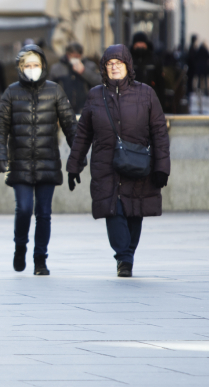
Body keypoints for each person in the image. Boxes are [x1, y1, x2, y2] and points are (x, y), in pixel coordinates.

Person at [65, 44, 170, 278]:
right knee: (114, 210)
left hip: (139, 165)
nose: (114, 67)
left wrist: (162, 167)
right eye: (109, 64)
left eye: (118, 63)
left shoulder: (145, 94)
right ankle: (123, 257)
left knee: (135, 212)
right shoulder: (95, 95)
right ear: (104, 68)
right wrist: (74, 165)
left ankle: (128, 254)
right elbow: (83, 134)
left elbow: (159, 132)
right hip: (106, 165)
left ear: (127, 66)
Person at [0, 45, 77, 276]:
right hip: (20, 161)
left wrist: (77, 157)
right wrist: (0, 155)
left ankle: (40, 258)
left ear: (43, 67)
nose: (32, 69)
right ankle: (20, 246)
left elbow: (71, 125)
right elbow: (0, 127)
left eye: (36, 65)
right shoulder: (11, 92)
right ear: (21, 68)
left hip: (47, 160)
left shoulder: (55, 91)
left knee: (43, 212)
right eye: (28, 65)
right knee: (23, 209)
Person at [50, 42, 102, 114]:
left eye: (77, 56)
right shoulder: (57, 68)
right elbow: (51, 89)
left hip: (85, 108)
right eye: (73, 56)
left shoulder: (89, 65)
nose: (75, 59)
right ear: (67, 54)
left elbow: (99, 82)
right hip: (64, 109)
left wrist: (84, 71)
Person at [130, 32, 165, 102]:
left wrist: (161, 102)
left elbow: (160, 82)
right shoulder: (129, 60)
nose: (140, 47)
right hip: (132, 98)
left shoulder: (154, 60)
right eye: (137, 45)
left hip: (150, 98)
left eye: (142, 44)